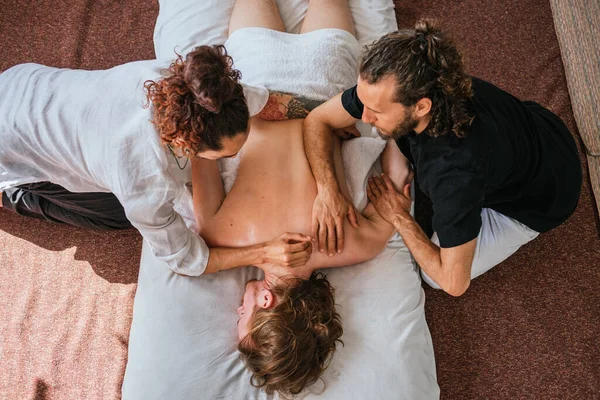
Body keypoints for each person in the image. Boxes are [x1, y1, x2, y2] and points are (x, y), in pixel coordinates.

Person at [190, 0, 411, 395]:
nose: (237, 311)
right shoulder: (218, 233)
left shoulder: (360, 244)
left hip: (328, 81)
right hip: (257, 77)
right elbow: (199, 143)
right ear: (268, 301)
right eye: (243, 317)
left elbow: (398, 182)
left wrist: (394, 171)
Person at [303, 20, 582, 297]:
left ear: (422, 106)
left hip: (545, 198)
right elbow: (318, 120)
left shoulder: (453, 173)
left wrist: (400, 217)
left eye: (376, 111)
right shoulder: (428, 80)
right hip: (543, 129)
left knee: (433, 277)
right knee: (391, 135)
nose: (364, 117)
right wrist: (328, 191)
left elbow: (454, 283)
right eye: (363, 103)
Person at [0, 34, 315, 277]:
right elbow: (185, 259)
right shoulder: (142, 179)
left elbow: (271, 101)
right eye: (221, 155)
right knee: (117, 216)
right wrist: (262, 253)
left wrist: (326, 115)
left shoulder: (196, 87)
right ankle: (8, 194)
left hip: (23, 82)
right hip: (11, 145)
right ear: (184, 142)